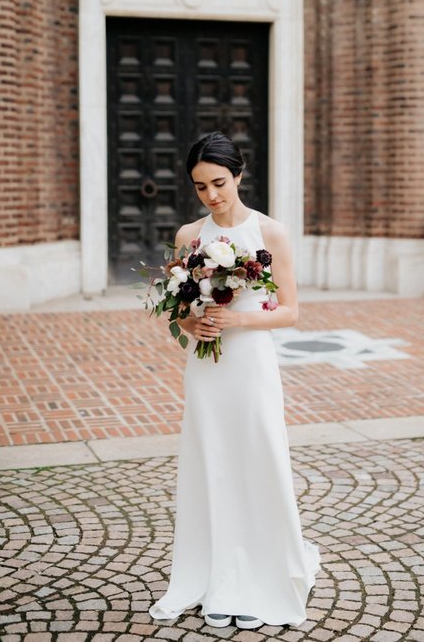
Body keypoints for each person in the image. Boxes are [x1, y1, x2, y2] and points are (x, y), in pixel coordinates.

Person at [149, 132, 320, 629]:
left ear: (239, 175)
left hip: (250, 364)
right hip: (206, 366)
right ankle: (216, 575)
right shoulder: (188, 237)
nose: (211, 195)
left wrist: (238, 321)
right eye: (200, 187)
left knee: (256, 456)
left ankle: (260, 576)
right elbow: (177, 310)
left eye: (219, 183)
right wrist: (191, 323)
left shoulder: (272, 233)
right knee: (213, 463)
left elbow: (289, 312)